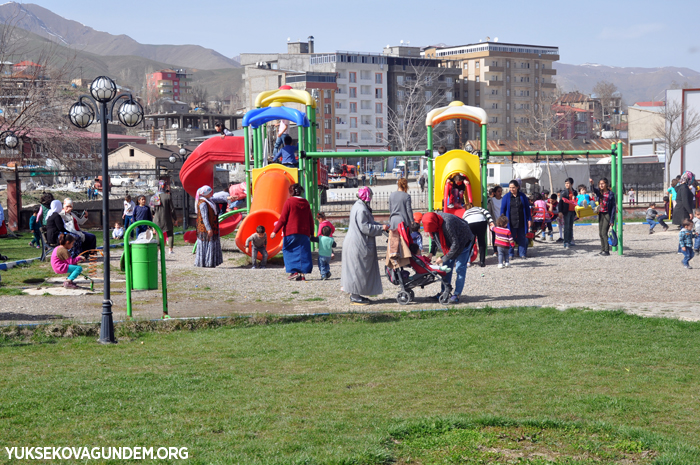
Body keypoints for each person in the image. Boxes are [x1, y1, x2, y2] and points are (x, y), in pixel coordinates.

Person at [341, 187, 388, 305]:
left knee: (355, 270)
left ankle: (355, 294)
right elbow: (365, 227)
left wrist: (380, 226)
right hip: (358, 244)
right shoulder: (361, 208)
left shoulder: (358, 206)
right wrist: (381, 228)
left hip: (354, 242)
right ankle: (355, 296)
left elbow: (368, 223)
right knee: (357, 270)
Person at [423, 211, 474, 304]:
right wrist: (431, 252)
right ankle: (444, 292)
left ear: (435, 224)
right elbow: (434, 236)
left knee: (460, 268)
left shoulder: (447, 224)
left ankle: (457, 295)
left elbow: (456, 245)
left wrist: (443, 258)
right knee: (446, 269)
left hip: (463, 241)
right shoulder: (435, 224)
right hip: (451, 244)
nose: (431, 231)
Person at [271, 183, 314, 281]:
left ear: (292, 192)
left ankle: (293, 271)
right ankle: (302, 274)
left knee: (288, 250)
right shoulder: (306, 203)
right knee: (303, 251)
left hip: (291, 231)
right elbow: (310, 219)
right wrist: (312, 233)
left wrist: (275, 231)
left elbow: (283, 218)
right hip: (304, 232)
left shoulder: (289, 202)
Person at [500, 180, 532, 259]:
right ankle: (510, 254)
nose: (511, 189)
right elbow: (502, 210)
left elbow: (527, 209)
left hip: (521, 221)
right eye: (510, 187)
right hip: (510, 222)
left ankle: (522, 253)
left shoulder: (522, 196)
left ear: (517, 187)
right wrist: (502, 220)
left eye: (513, 187)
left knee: (522, 237)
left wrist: (529, 219)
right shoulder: (506, 197)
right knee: (511, 238)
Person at [194, 186, 223, 268]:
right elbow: (204, 217)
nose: (211, 193)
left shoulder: (209, 200)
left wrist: (230, 198)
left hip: (211, 226)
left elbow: (218, 199)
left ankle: (210, 262)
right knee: (207, 244)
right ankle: (206, 262)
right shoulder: (203, 203)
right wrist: (209, 228)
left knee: (210, 244)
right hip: (205, 228)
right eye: (209, 192)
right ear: (205, 194)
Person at [589, 177, 616, 256]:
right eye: (600, 184)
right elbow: (593, 190)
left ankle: (607, 250)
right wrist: (592, 183)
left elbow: (613, 207)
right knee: (600, 233)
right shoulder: (599, 193)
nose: (601, 185)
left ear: (606, 184)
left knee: (604, 232)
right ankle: (602, 249)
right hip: (601, 213)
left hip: (607, 214)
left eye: (603, 183)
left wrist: (612, 220)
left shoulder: (610, 194)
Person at [462, 202, 494, 267]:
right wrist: (491, 222)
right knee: (481, 241)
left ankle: (467, 261)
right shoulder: (478, 208)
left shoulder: (466, 212)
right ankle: (482, 261)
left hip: (470, 223)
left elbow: (463, 221)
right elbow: (487, 213)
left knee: (470, 242)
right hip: (481, 221)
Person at [151, 180, 177, 254]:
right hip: (167, 218)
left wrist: (153, 215)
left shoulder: (155, 197)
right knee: (170, 232)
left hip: (157, 218)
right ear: (165, 186)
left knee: (158, 234)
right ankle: (170, 249)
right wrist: (175, 218)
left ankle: (159, 250)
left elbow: (152, 209)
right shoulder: (167, 196)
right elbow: (172, 209)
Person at [559, 177, 577, 248]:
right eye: (565, 183)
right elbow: (560, 202)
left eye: (568, 183)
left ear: (572, 184)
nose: (566, 185)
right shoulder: (563, 192)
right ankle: (566, 242)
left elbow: (577, 201)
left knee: (571, 227)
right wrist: (560, 211)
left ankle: (570, 240)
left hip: (573, 211)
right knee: (566, 227)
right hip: (566, 211)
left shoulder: (575, 192)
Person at [487, 185, 503, 254]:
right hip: (494, 220)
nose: (500, 193)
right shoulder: (491, 201)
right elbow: (489, 211)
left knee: (502, 236)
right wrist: (489, 221)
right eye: (498, 191)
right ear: (495, 192)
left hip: (502, 221)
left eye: (501, 191)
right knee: (494, 236)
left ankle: (502, 250)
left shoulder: (503, 200)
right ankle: (495, 251)